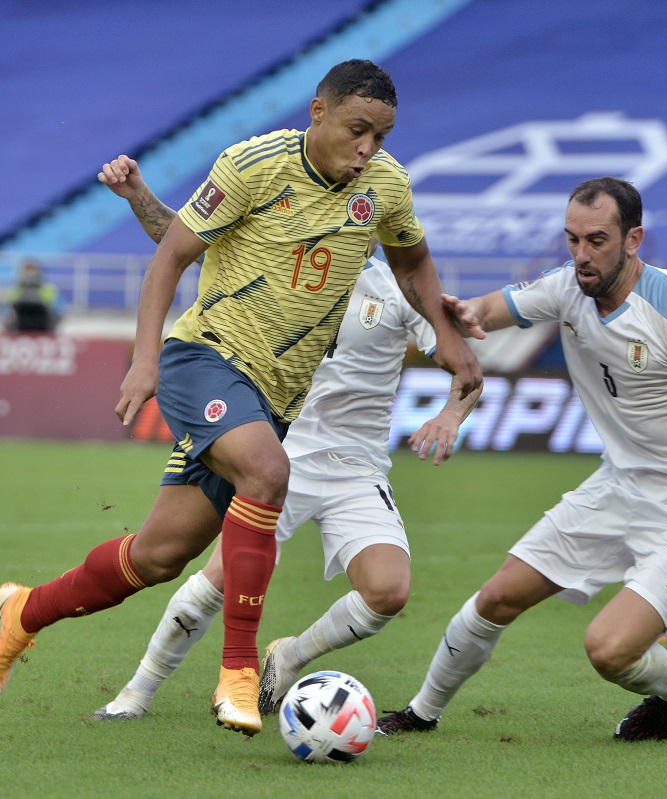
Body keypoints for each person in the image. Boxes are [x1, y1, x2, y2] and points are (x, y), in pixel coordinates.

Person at [0, 59, 483, 738]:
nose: (367, 149)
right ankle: (240, 670)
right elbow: (173, 254)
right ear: (318, 112)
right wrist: (145, 361)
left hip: (272, 396)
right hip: (204, 357)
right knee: (269, 471)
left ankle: (25, 611)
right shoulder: (254, 164)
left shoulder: (384, 188)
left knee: (158, 556)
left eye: (381, 138)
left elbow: (412, 259)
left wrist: (449, 341)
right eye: (357, 130)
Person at [89, 155, 481, 721]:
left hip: (357, 466)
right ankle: (138, 691)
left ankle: (290, 656)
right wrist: (138, 196)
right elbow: (190, 240)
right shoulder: (287, 257)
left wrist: (451, 412)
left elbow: (466, 368)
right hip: (278, 451)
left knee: (388, 593)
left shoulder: (400, 291)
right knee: (215, 582)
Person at [376, 177, 667, 742]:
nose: (581, 255)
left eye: (597, 240)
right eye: (572, 239)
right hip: (618, 486)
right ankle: (421, 713)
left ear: (634, 240)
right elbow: (487, 311)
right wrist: (460, 316)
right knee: (497, 596)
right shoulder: (567, 287)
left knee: (608, 650)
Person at [2, 260, 61, 333]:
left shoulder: (49, 289)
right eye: (27, 270)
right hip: (19, 326)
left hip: (45, 326)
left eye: (32, 269)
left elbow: (58, 309)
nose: (30, 273)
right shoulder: (14, 289)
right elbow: (7, 308)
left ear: (39, 271)